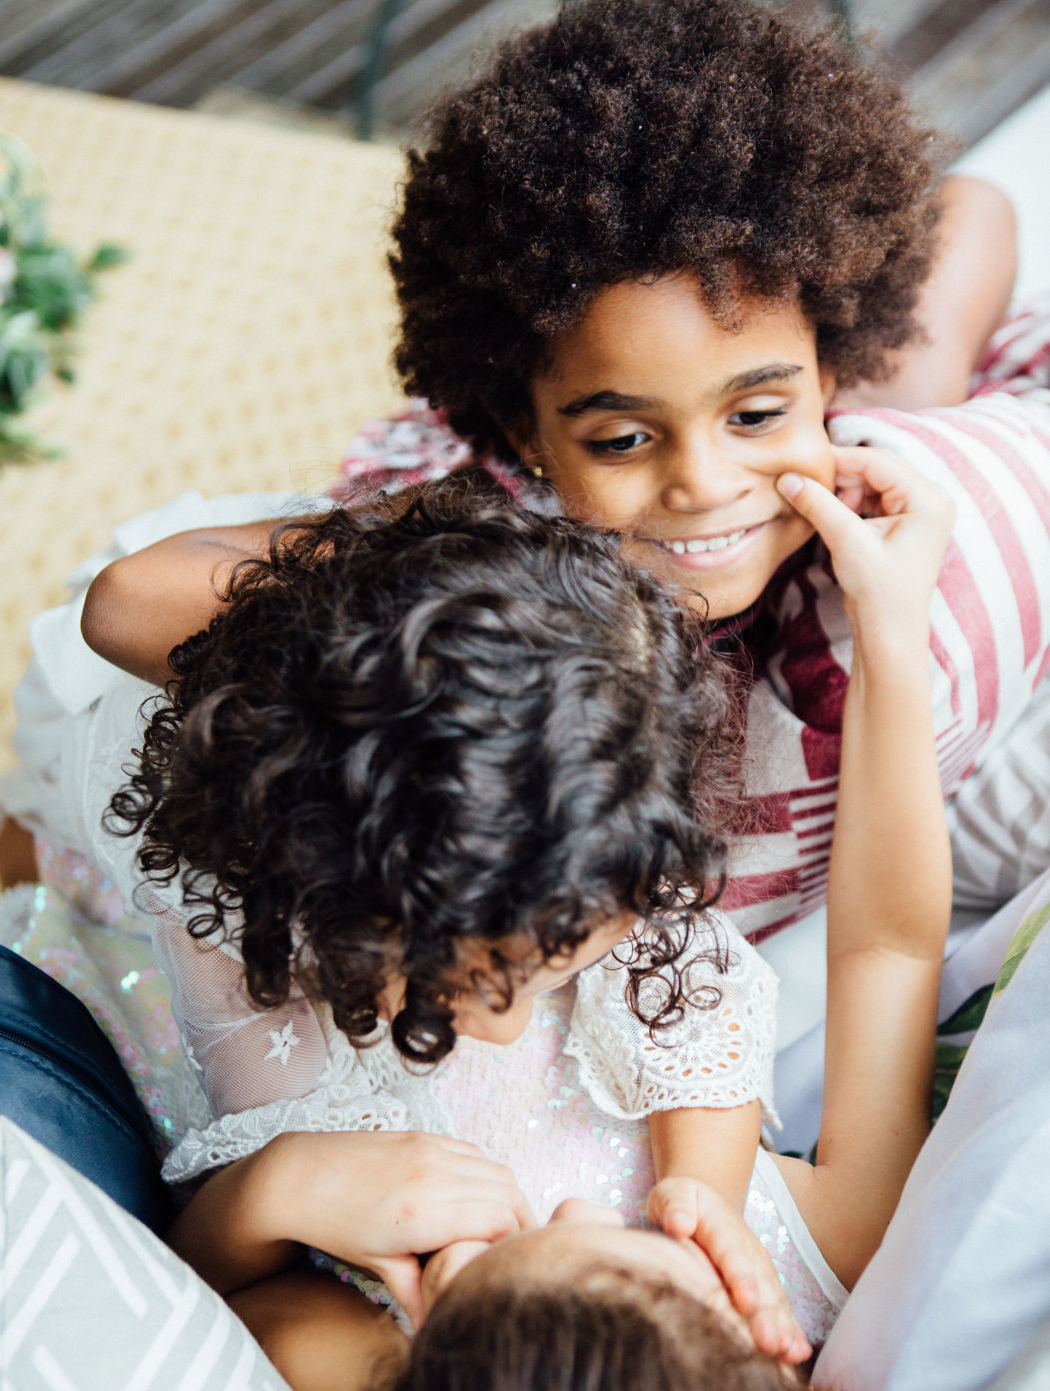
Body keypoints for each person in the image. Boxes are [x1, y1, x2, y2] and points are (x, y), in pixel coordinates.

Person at [69, 0, 1047, 963]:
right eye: (623, 439)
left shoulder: (881, 412)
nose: (703, 481)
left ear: (829, 365)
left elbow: (979, 210)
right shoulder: (489, 551)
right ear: (521, 433)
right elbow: (123, 602)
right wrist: (472, 569)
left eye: (751, 416)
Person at [161, 447, 953, 1391]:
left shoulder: (383, 1384)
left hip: (296, 887)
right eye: (630, 1263)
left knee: (168, 737)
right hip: (514, 797)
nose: (576, 1205)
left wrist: (274, 1190)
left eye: (485, 1276)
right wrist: (891, 629)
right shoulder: (839, 1248)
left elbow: (192, 1281)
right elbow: (888, 948)